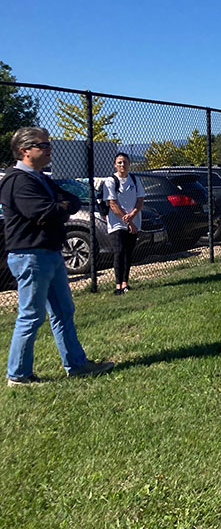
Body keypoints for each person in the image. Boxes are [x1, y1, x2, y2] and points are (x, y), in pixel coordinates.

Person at [1, 127, 115, 385]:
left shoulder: (40, 177)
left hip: (50, 253)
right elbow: (42, 212)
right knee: (31, 315)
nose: (48, 148)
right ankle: (18, 375)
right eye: (42, 145)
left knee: (64, 311)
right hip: (31, 255)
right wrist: (59, 209)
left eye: (48, 144)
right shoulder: (18, 180)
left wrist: (60, 208)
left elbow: (72, 200)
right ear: (24, 150)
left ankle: (76, 364)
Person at [104, 152, 145, 295]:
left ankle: (125, 283)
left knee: (128, 252)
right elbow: (113, 204)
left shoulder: (134, 179)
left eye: (125, 162)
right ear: (115, 164)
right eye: (119, 162)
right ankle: (117, 286)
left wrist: (133, 215)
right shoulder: (110, 181)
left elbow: (140, 201)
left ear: (129, 163)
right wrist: (127, 221)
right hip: (117, 223)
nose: (122, 165)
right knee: (119, 251)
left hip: (134, 222)